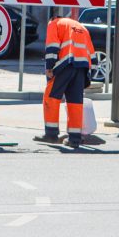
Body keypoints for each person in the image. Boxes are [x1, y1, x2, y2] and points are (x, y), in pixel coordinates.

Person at [35, 11, 95, 149]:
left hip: (65, 64)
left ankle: (51, 134)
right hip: (82, 68)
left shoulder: (54, 23)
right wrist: (89, 75)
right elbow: (92, 53)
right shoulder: (81, 27)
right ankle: (74, 139)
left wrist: (49, 67)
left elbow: (52, 47)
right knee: (75, 102)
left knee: (51, 97)